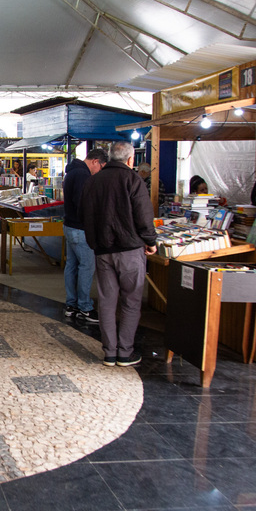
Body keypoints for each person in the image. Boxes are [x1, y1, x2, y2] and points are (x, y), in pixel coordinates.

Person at [81, 141, 157, 368]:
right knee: (131, 301)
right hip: (130, 250)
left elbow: (86, 214)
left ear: (110, 157)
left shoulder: (93, 181)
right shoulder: (134, 180)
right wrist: (150, 242)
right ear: (131, 160)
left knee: (106, 301)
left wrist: (94, 242)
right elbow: (143, 215)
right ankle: (125, 353)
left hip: (103, 251)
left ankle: (109, 352)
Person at [63, 148, 108, 323]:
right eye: (101, 167)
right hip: (80, 229)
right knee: (87, 267)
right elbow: (83, 203)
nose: (100, 172)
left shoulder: (73, 172)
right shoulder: (82, 175)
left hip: (69, 225)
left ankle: (71, 304)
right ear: (95, 161)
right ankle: (84, 307)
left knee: (72, 266)